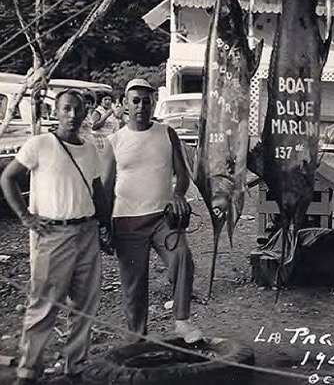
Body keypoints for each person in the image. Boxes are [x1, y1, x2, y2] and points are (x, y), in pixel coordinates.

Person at [0, 90, 111, 385]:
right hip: (52, 233)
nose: (72, 115)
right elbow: (7, 177)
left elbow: (97, 189)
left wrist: (105, 225)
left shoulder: (89, 148)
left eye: (78, 109)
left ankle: (75, 366)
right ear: (57, 111)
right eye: (66, 109)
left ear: (86, 111)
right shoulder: (40, 144)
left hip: (87, 232)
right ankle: (29, 370)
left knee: (86, 304)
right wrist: (26, 218)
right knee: (44, 304)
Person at [103, 78, 202, 343]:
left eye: (146, 101)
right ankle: (137, 337)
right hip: (126, 220)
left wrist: (178, 194)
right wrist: (103, 225)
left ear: (153, 103)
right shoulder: (114, 141)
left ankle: (182, 320)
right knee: (134, 284)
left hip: (162, 218)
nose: (141, 106)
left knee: (182, 258)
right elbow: (105, 187)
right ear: (125, 104)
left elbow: (182, 174)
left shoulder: (166, 133)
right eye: (135, 101)